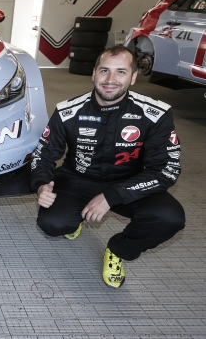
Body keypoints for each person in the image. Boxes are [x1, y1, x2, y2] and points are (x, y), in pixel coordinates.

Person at [30, 45, 185, 288]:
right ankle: (75, 219)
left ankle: (118, 250)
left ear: (133, 77)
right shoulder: (67, 111)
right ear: (94, 74)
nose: (110, 79)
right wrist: (41, 184)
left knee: (169, 217)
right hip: (77, 178)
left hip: (129, 182)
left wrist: (113, 196)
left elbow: (167, 169)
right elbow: (44, 154)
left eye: (121, 72)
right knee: (53, 223)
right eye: (104, 70)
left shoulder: (156, 114)